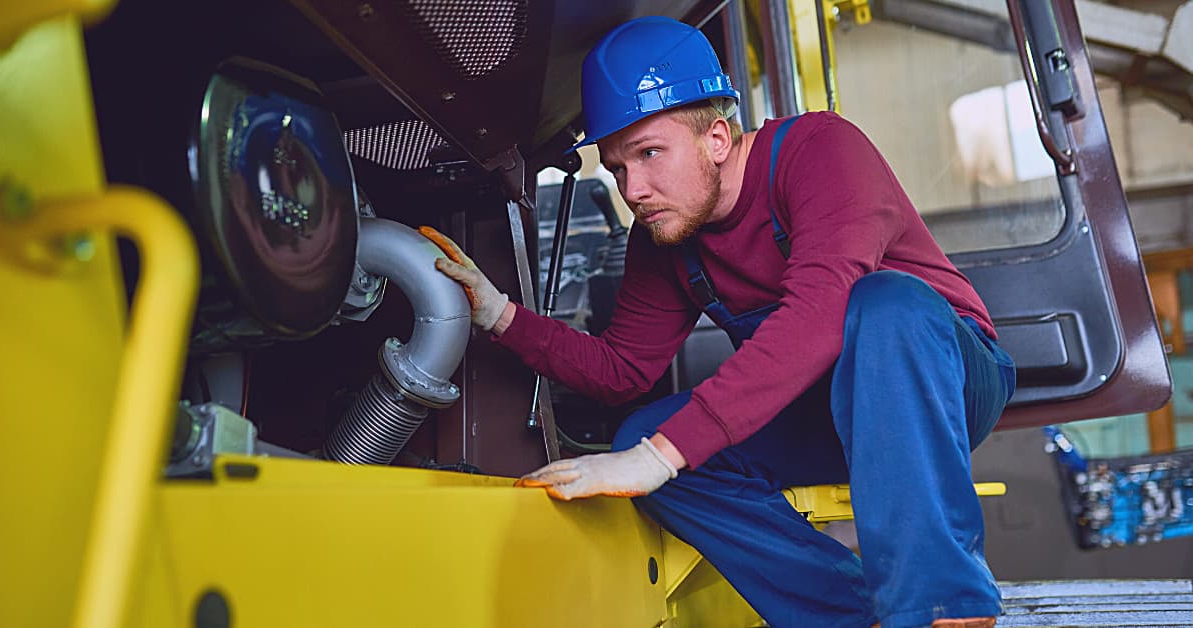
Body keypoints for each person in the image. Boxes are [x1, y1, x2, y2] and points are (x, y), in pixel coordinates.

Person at [421, 15, 1015, 628]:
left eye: (651, 154)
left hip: (944, 380)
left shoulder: (821, 152)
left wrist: (664, 454)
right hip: (825, 408)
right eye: (619, 167)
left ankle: (944, 607)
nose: (635, 189)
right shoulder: (663, 239)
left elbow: (818, 311)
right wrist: (500, 315)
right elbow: (623, 370)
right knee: (641, 437)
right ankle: (850, 615)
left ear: (718, 139)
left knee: (882, 304)